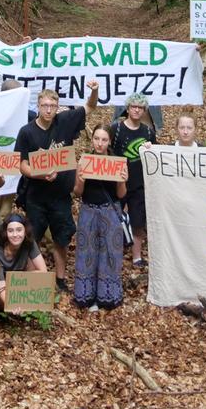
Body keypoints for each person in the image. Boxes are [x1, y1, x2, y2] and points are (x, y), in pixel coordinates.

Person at [15, 83, 98, 292]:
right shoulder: (26, 132)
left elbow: (90, 106)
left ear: (58, 106)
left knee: (61, 238)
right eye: (45, 105)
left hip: (61, 195)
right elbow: (22, 164)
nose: (49, 110)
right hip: (36, 196)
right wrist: (40, 174)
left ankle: (60, 280)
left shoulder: (65, 121)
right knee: (31, 239)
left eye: (53, 105)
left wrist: (94, 91)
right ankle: (30, 281)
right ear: (38, 106)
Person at [73, 124, 127, 312]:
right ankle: (85, 295)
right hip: (88, 210)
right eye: (97, 139)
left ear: (109, 141)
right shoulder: (85, 161)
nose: (100, 143)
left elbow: (121, 194)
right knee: (87, 252)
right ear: (92, 139)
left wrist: (121, 180)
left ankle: (108, 296)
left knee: (110, 253)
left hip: (109, 212)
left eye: (104, 139)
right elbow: (78, 193)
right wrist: (80, 179)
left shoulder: (116, 162)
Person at [110, 93, 156, 268]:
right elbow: (108, 151)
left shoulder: (148, 132)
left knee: (138, 221)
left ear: (144, 110)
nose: (137, 110)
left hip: (139, 183)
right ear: (128, 109)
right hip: (117, 182)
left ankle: (137, 256)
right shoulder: (117, 129)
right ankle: (115, 253)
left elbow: (153, 158)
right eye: (133, 106)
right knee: (115, 219)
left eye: (140, 107)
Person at [0, 214, 47, 307]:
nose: (15, 235)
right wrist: (13, 305)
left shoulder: (29, 243)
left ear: (25, 231)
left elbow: (43, 271)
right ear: (5, 232)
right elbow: (0, 286)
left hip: (19, 283)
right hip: (2, 288)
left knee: (33, 267)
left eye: (19, 230)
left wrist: (19, 279)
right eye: (10, 231)